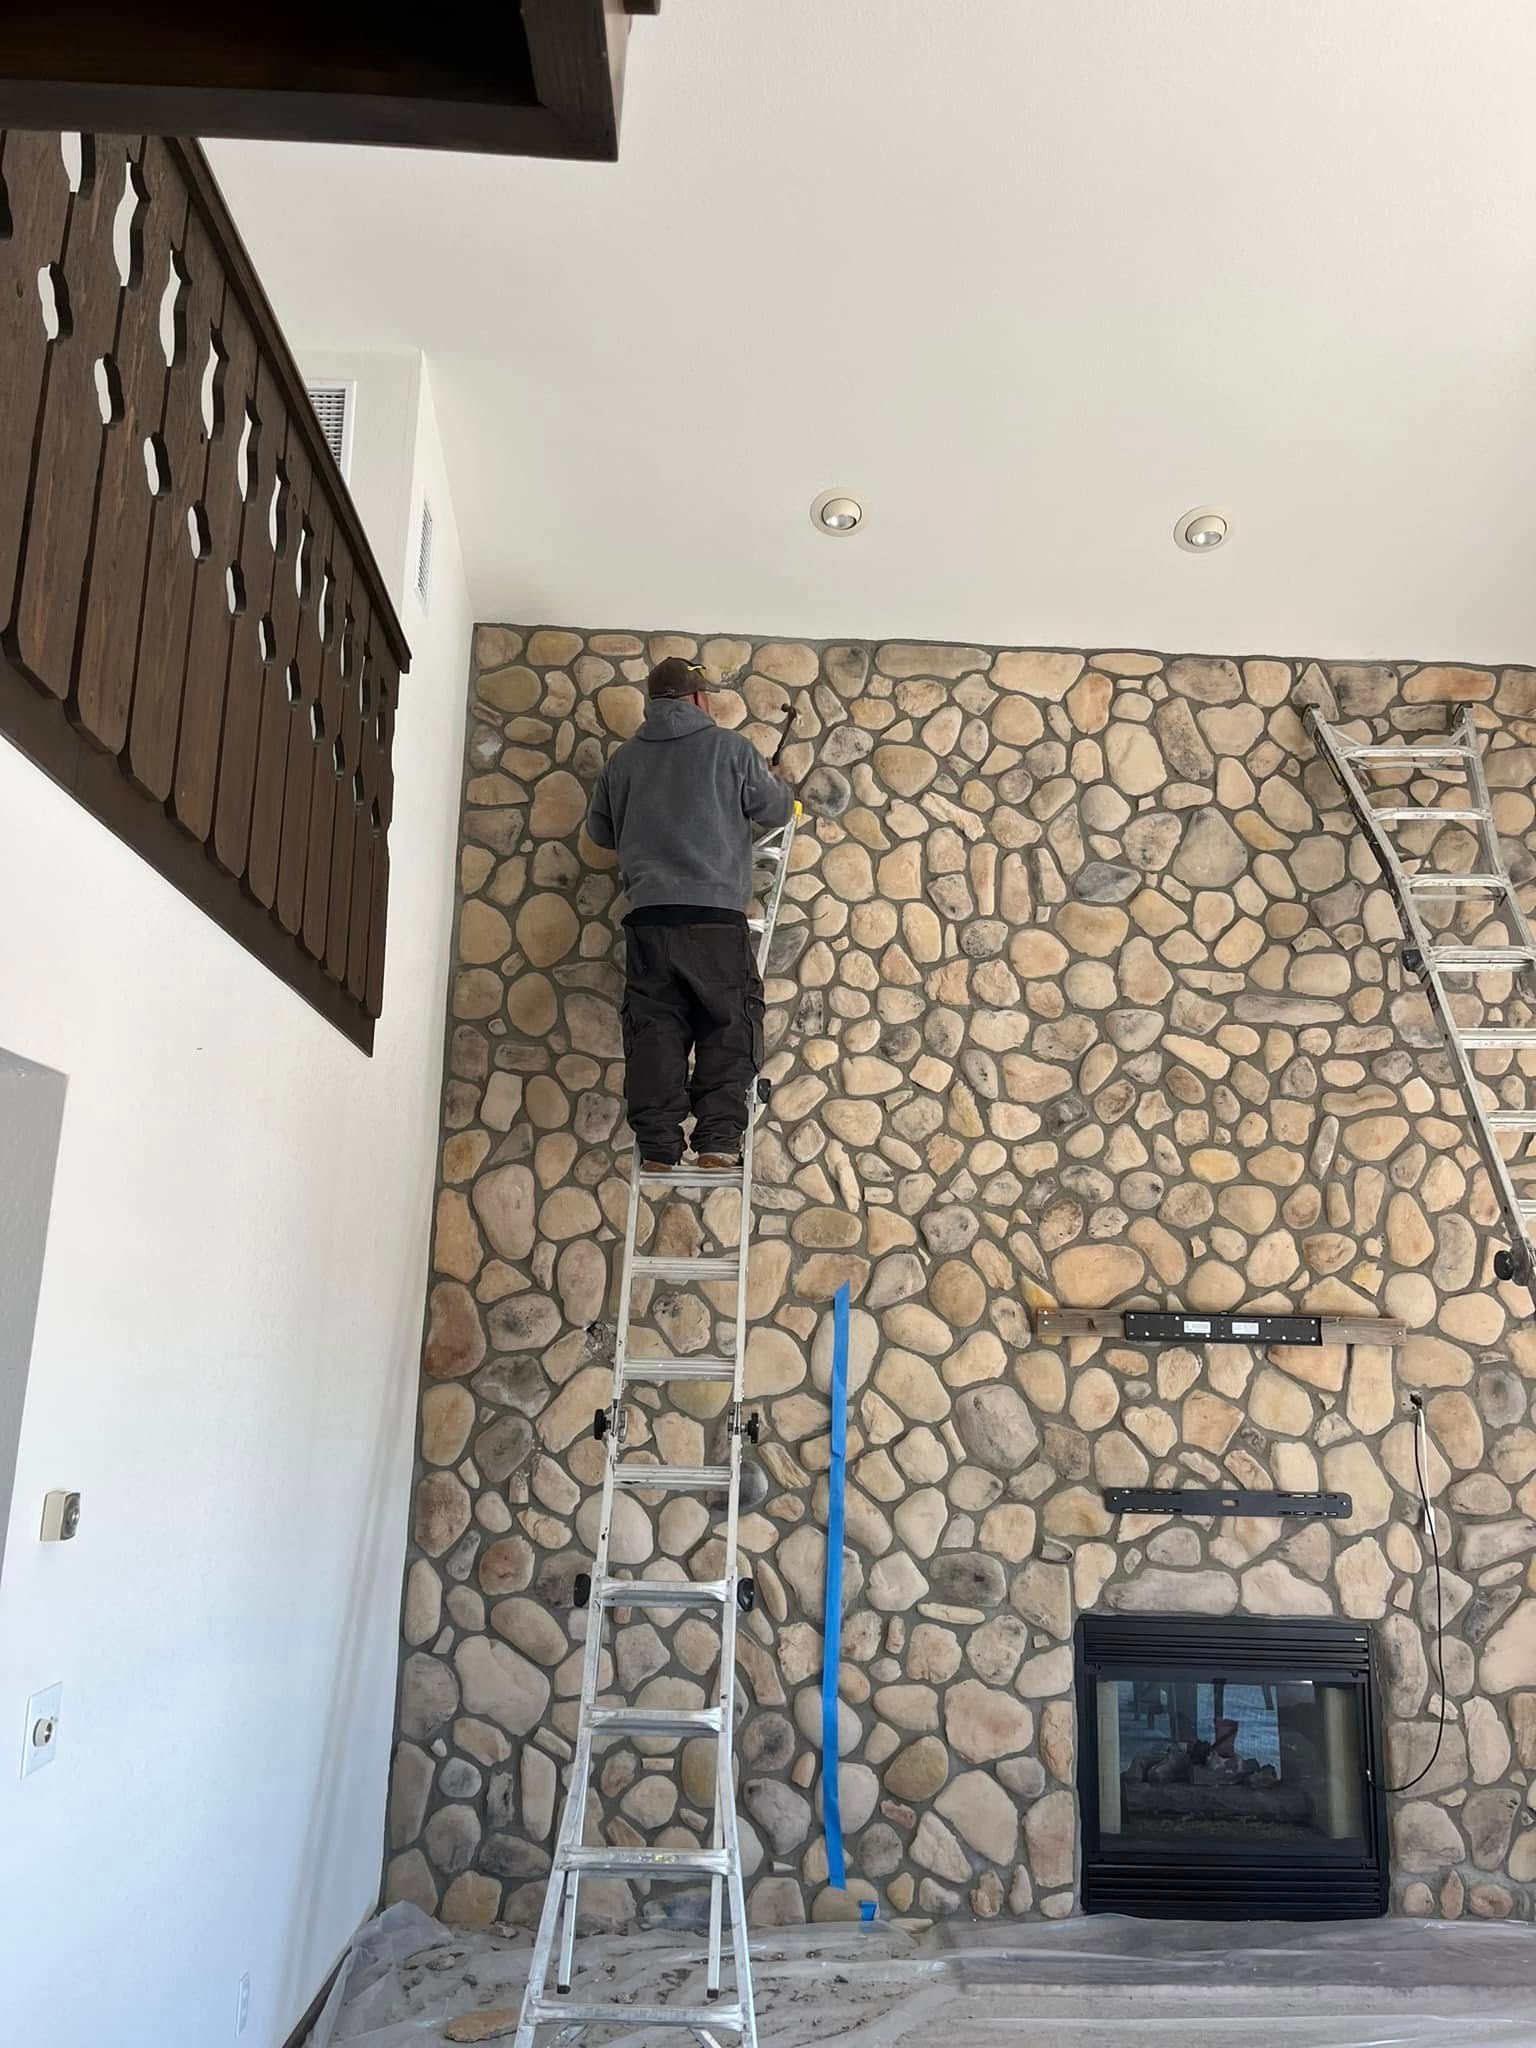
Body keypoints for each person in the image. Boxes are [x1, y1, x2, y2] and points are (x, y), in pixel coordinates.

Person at [586, 656, 793, 1172]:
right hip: (715, 918)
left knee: (654, 1030)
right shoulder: (731, 751)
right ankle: (718, 1141)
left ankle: (657, 1146)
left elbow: (600, 833)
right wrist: (777, 780)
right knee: (728, 1025)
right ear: (700, 699)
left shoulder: (622, 763)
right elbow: (776, 810)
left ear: (652, 704)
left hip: (650, 920)